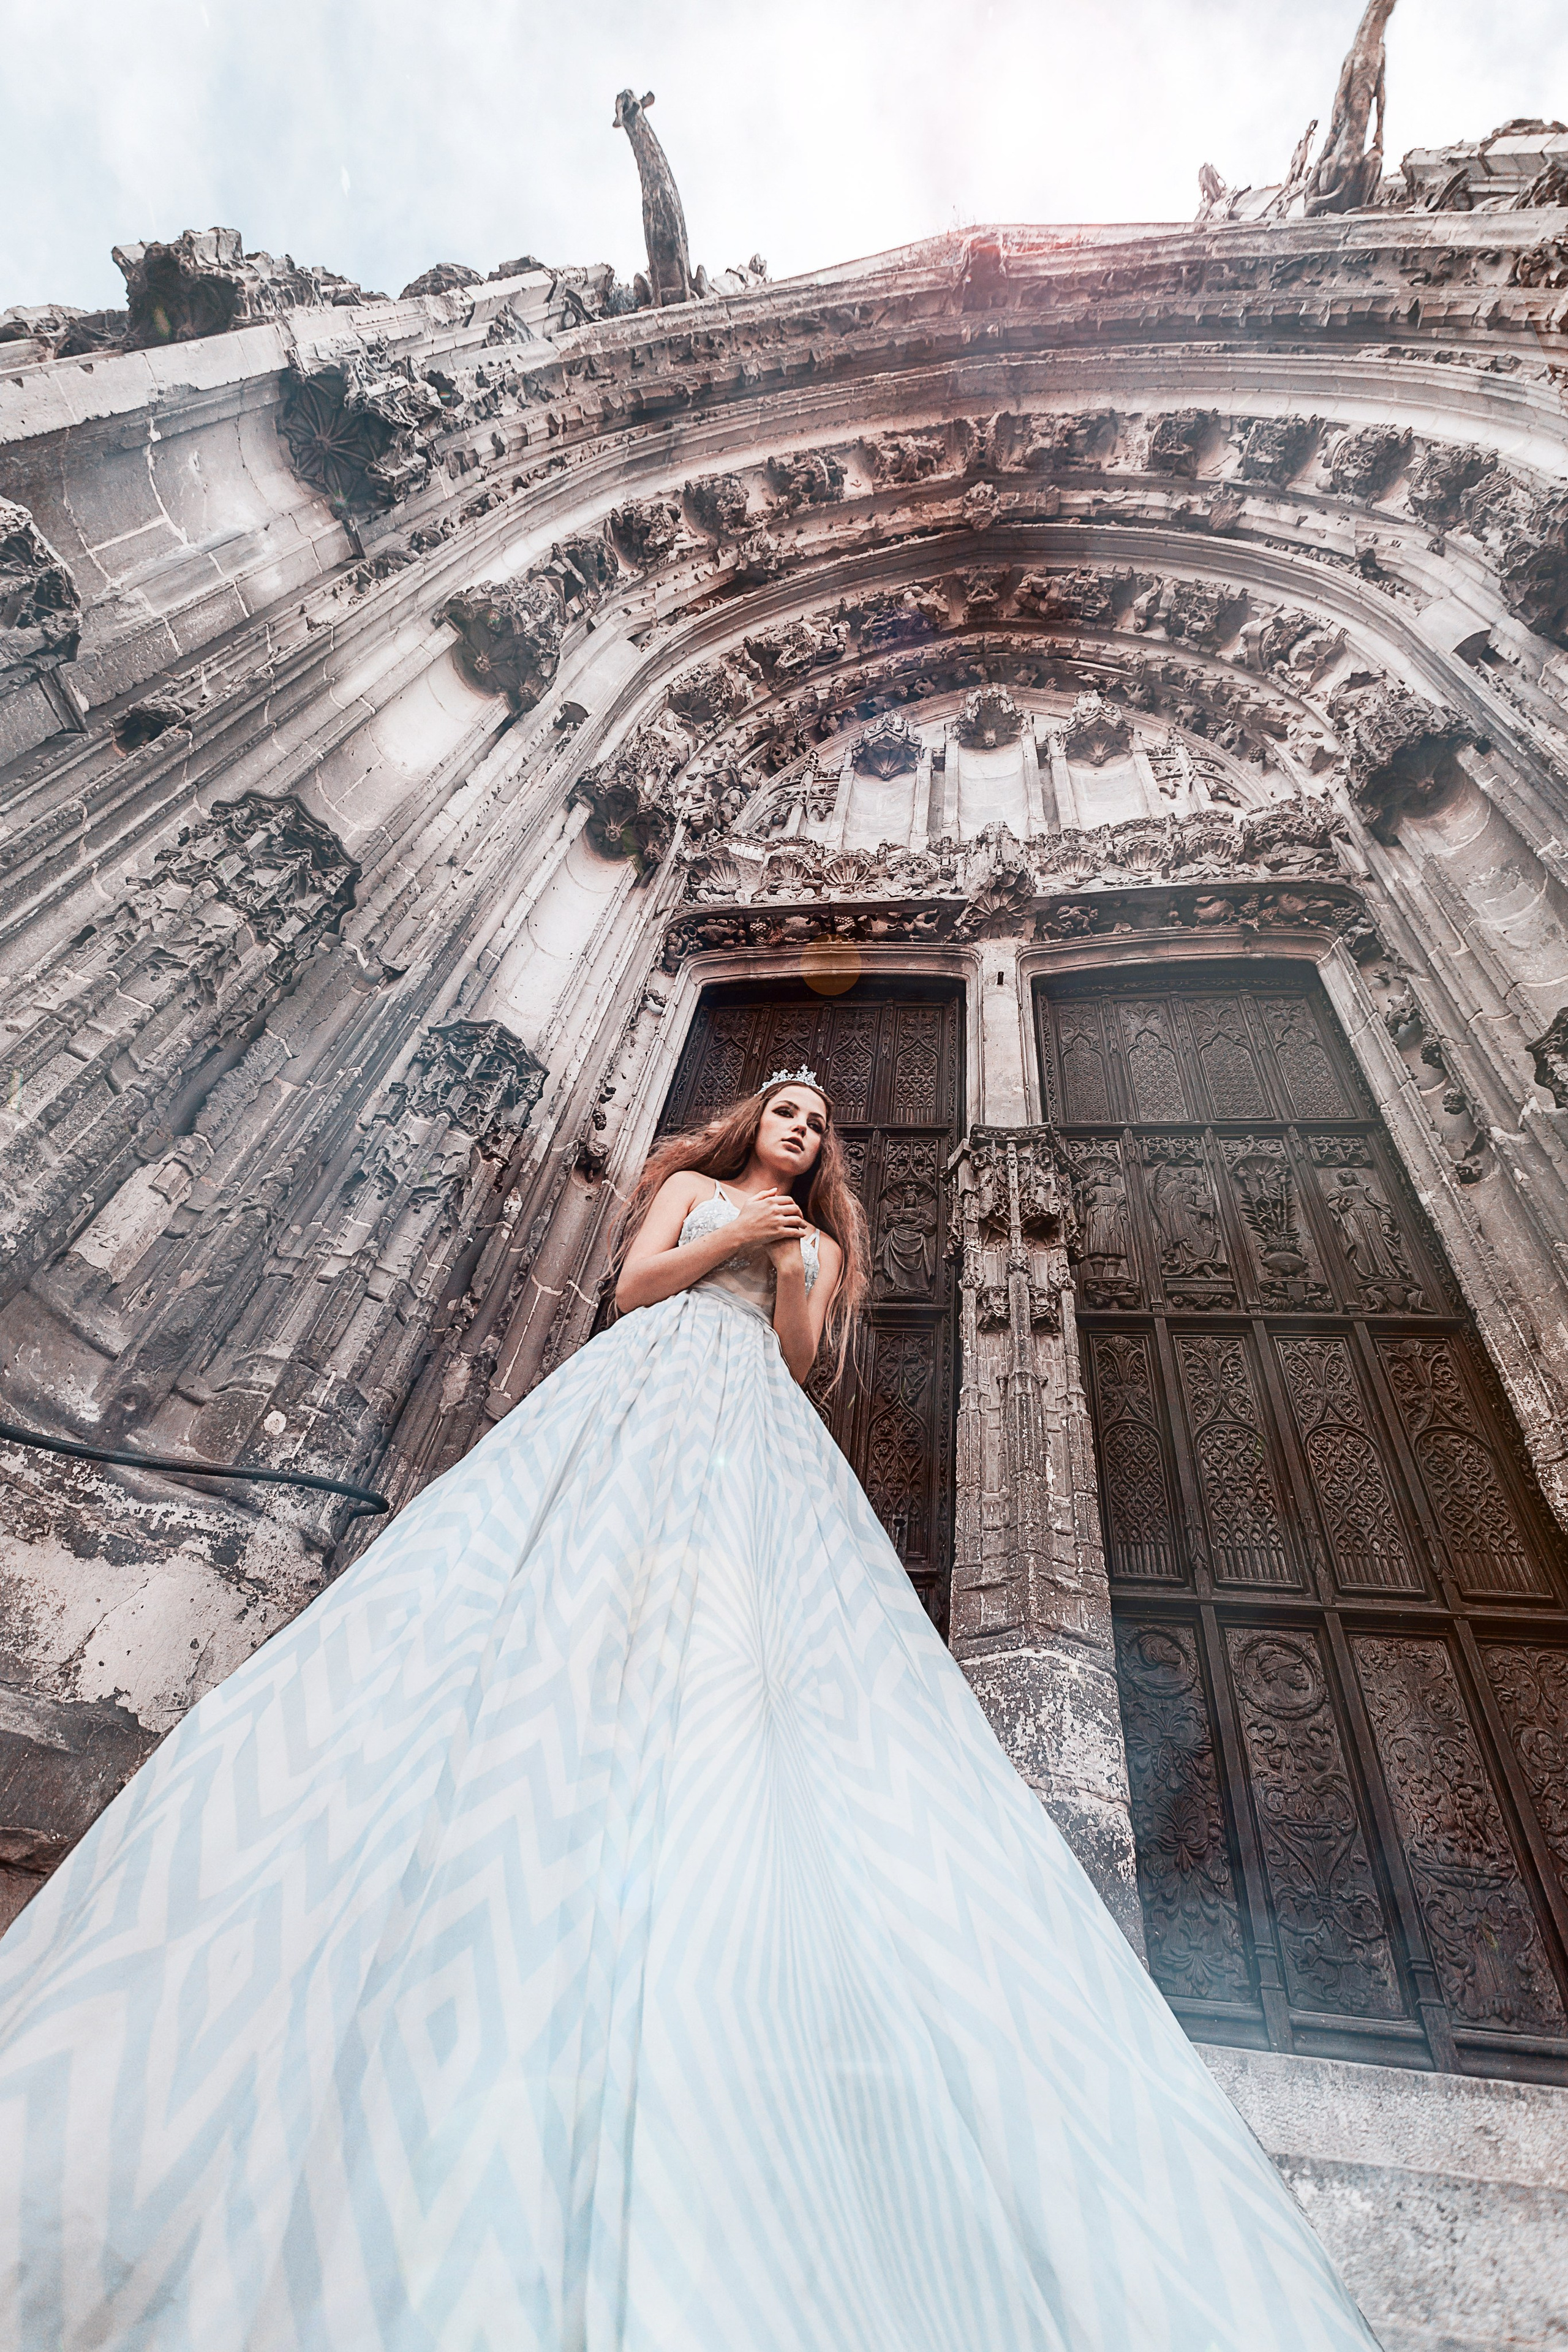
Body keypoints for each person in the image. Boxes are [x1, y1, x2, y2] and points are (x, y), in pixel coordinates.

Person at [0, 1069, 1378, 2351]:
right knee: (551, 1601)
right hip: (633, 1396)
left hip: (742, 1431)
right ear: (749, 1124)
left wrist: (789, 1263)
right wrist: (731, 1234)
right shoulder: (694, 1191)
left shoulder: (816, 1246)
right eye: (784, 1110)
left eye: (814, 1124)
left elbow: (790, 1363)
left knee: (734, 1640)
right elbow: (628, 1292)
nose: (799, 1129)